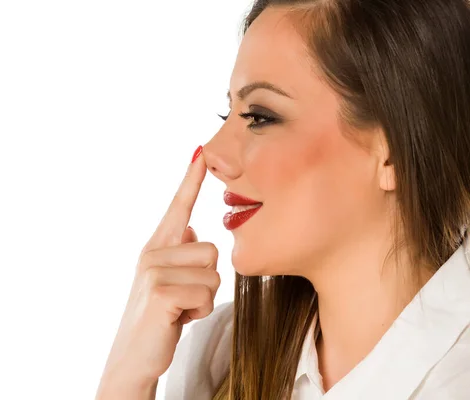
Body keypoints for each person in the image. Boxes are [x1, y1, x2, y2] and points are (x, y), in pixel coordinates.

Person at [95, 0, 470, 398]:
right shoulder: (216, 353)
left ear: (393, 151)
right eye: (229, 114)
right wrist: (127, 376)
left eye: (259, 116)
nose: (214, 155)